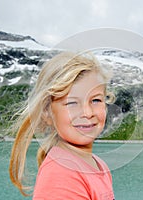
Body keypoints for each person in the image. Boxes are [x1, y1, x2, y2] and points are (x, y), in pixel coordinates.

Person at [9, 52, 115, 199]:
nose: (87, 112)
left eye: (96, 100)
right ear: (47, 113)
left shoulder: (99, 165)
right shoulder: (61, 173)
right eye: (72, 103)